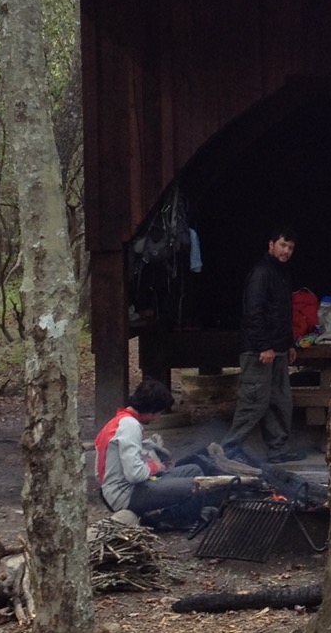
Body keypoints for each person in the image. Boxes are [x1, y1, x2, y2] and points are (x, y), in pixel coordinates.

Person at [222, 225, 304, 464]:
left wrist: (289, 344)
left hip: (278, 349)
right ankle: (229, 449)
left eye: (290, 247)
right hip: (259, 351)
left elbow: (283, 313)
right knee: (253, 402)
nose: (286, 251)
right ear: (271, 245)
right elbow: (253, 313)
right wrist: (263, 346)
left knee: (280, 401)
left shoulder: (283, 274)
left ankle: (278, 448)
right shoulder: (261, 273)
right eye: (282, 245)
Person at [95, 377, 209, 528]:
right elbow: (134, 474)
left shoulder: (121, 421)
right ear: (151, 409)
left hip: (127, 488)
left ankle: (172, 514)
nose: (158, 418)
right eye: (159, 413)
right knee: (195, 485)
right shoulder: (130, 426)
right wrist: (156, 467)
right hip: (126, 494)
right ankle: (170, 520)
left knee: (193, 470)